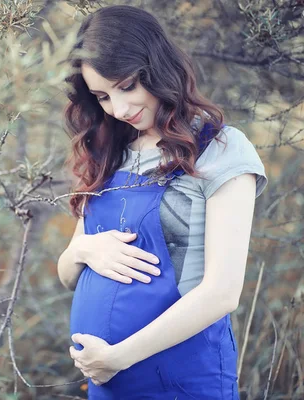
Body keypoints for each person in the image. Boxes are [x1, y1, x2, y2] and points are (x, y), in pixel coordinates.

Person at [56, 5, 268, 399]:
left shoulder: (219, 148)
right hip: (107, 381)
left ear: (156, 68)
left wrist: (119, 356)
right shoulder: (109, 152)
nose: (118, 109)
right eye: (102, 96)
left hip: (181, 378)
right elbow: (68, 273)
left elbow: (222, 293)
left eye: (127, 86)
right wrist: (85, 247)